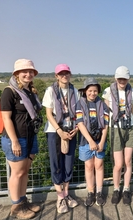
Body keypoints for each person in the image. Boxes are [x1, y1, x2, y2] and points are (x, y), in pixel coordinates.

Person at [1, 59, 42, 219]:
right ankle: (16, 206)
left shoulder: (30, 92)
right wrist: (15, 141)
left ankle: (23, 201)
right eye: (24, 71)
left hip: (30, 136)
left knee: (25, 171)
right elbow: (6, 119)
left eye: (31, 71)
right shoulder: (9, 92)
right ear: (17, 73)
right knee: (17, 173)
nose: (28, 74)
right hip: (16, 138)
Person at [42, 64, 79, 213]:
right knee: (56, 163)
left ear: (70, 75)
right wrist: (59, 131)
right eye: (61, 73)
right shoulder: (50, 91)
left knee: (68, 163)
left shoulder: (74, 91)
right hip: (54, 131)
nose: (64, 75)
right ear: (56, 76)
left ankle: (66, 194)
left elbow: (77, 112)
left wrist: (76, 128)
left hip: (71, 130)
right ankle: (60, 198)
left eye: (67, 73)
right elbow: (49, 114)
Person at [102, 66, 133, 205]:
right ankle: (116, 189)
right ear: (116, 78)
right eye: (120, 78)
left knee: (128, 161)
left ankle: (126, 189)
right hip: (115, 127)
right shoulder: (107, 92)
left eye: (124, 78)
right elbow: (106, 113)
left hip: (130, 127)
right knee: (118, 164)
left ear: (128, 79)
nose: (122, 81)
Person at [76, 78, 109, 207]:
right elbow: (80, 124)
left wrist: (101, 142)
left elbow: (106, 125)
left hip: (100, 139)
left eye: (95, 91)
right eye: (90, 90)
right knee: (89, 166)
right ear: (85, 91)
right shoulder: (79, 104)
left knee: (99, 165)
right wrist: (90, 141)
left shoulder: (103, 105)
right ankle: (91, 192)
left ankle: (99, 192)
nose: (92, 93)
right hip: (86, 141)